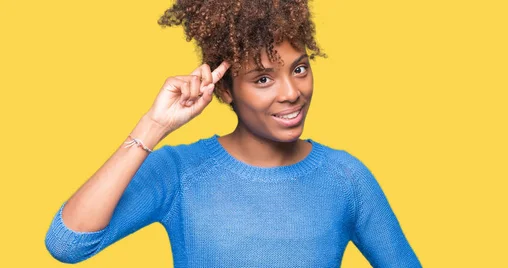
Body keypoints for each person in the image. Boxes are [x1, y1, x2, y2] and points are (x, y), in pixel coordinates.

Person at [44, 0, 422, 267]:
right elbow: (68, 242)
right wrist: (154, 125)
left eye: (300, 69)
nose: (291, 92)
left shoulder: (346, 177)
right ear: (225, 90)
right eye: (262, 78)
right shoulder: (181, 172)